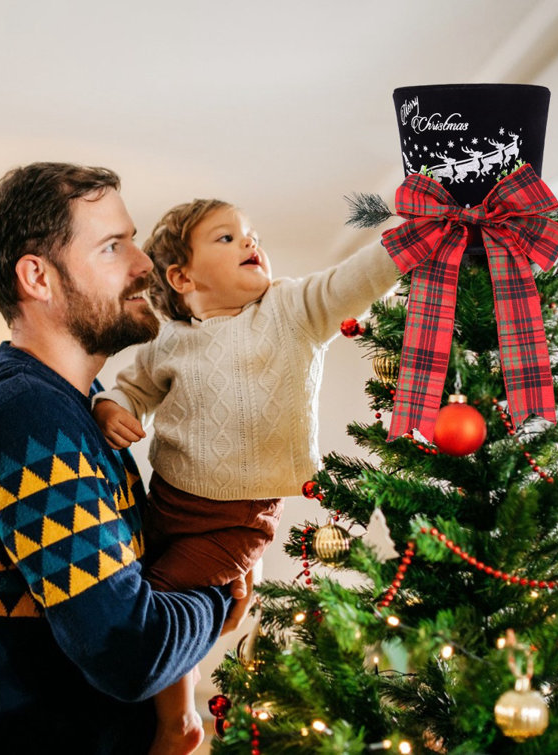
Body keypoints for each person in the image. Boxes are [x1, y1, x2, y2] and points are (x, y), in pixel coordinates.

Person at [0, 163, 251, 755]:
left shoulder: (80, 405)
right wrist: (222, 591)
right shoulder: (27, 416)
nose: (144, 264)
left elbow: (131, 588)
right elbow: (130, 651)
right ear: (37, 277)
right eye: (113, 246)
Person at [92, 197, 400, 753]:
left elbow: (351, 281)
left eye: (251, 233)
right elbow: (131, 388)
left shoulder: (290, 310)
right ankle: (218, 606)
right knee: (138, 584)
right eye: (227, 238)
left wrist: (410, 241)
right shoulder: (169, 339)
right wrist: (112, 409)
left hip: (236, 518)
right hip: (165, 502)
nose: (251, 242)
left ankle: (180, 722)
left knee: (163, 602)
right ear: (182, 276)